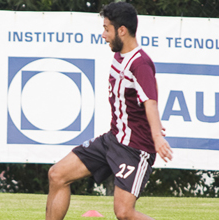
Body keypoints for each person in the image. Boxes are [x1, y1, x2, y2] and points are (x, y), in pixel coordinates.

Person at [45, 2, 173, 220]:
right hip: (113, 140)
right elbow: (151, 87)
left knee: (124, 213)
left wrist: (157, 135)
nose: (103, 35)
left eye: (107, 29)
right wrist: (155, 119)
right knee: (57, 174)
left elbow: (149, 101)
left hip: (135, 148)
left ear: (121, 30)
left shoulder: (140, 63)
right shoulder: (120, 55)